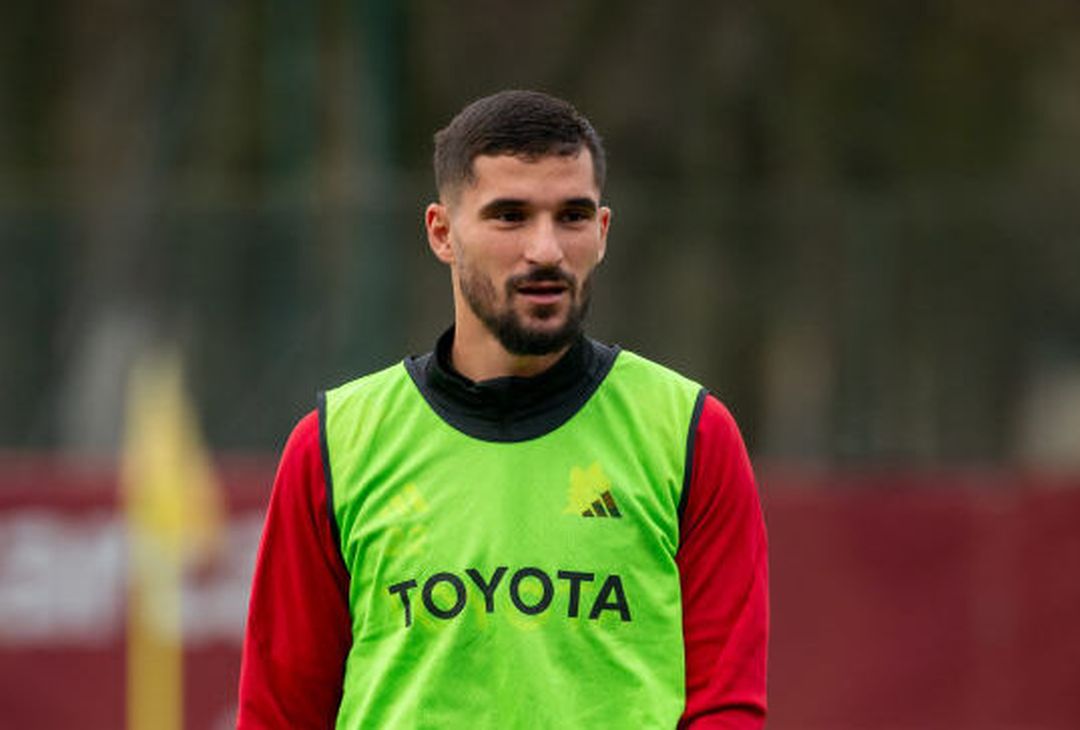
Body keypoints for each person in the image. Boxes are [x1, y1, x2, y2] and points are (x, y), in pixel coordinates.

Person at [237, 90, 768, 729]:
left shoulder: (689, 433)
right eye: (510, 216)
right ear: (442, 233)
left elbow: (725, 710)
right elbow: (280, 714)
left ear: (601, 233)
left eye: (571, 216)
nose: (545, 250)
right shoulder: (333, 445)